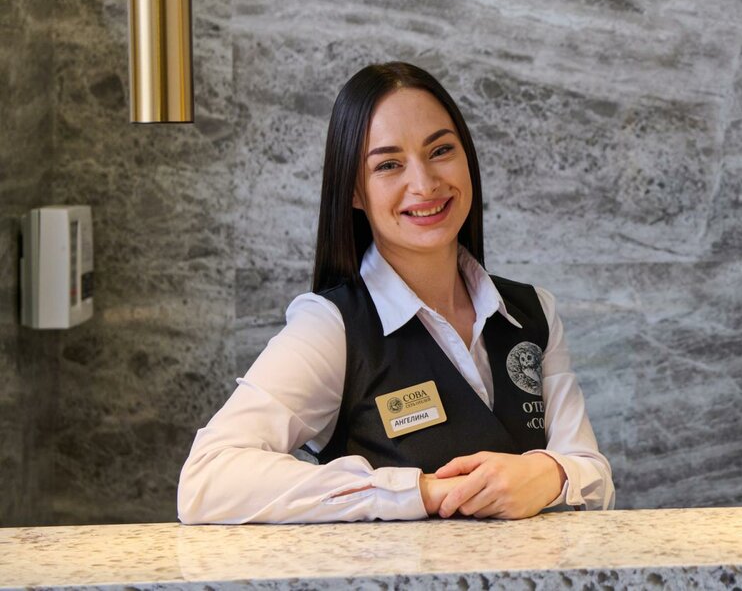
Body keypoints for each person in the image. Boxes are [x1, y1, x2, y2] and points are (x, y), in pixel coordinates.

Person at [178, 62, 614, 522]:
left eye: (440, 151)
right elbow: (207, 478)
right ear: (354, 191)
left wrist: (550, 473)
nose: (424, 184)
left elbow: (594, 477)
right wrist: (416, 492)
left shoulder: (531, 312)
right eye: (388, 164)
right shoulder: (331, 327)